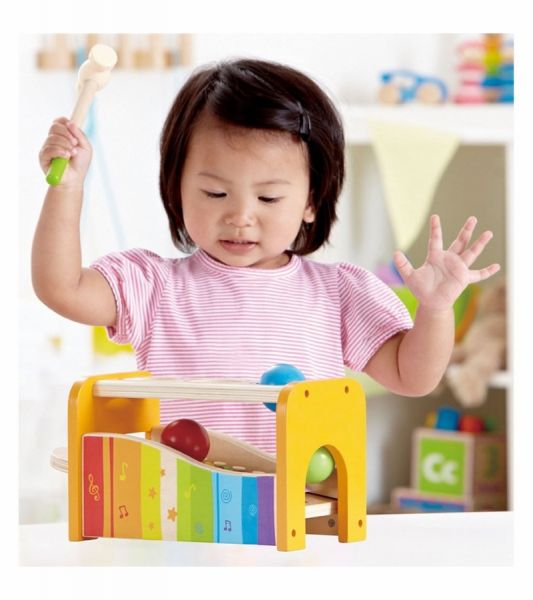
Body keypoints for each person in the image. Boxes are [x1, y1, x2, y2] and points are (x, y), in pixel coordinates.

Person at [32, 58, 500, 454]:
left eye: (269, 198)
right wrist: (67, 188)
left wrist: (436, 310)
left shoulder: (338, 293)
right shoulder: (153, 285)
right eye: (215, 193)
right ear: (177, 188)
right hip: (183, 507)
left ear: (312, 200)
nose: (240, 216)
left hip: (300, 506)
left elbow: (412, 376)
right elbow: (62, 287)